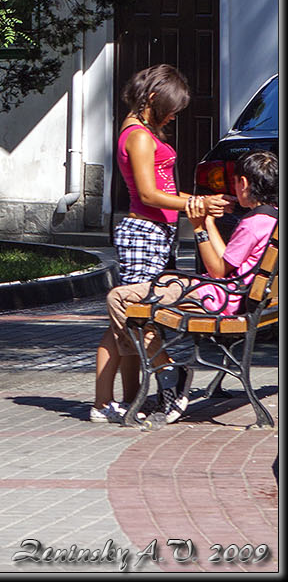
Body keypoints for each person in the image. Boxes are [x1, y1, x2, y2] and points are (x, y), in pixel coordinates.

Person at [92, 149, 278, 424]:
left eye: (235, 182)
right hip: (238, 296)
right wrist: (208, 221)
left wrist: (197, 228)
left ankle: (168, 372)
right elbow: (227, 262)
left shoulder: (252, 225)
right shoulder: (270, 219)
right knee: (137, 307)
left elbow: (216, 270)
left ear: (243, 184)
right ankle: (161, 375)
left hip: (217, 298)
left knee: (120, 298)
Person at [90, 64, 231, 422]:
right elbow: (150, 194)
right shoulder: (137, 135)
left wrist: (197, 203)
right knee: (133, 317)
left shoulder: (144, 132)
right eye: (170, 108)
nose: (172, 116)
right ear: (152, 97)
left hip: (156, 232)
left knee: (132, 318)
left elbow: (163, 190)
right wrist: (193, 204)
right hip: (144, 233)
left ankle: (128, 398)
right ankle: (107, 402)